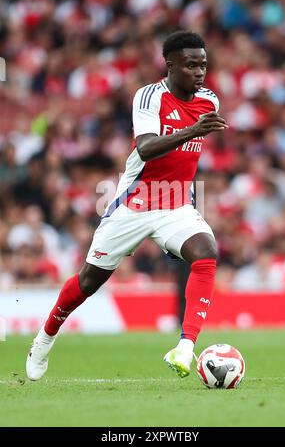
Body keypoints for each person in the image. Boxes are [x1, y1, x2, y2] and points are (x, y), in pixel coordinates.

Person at [26, 31, 228, 381]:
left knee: (206, 251)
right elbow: (147, 148)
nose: (199, 72)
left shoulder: (209, 101)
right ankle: (45, 338)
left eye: (203, 65)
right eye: (191, 65)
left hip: (175, 205)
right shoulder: (149, 96)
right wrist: (194, 130)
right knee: (89, 281)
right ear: (170, 65)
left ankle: (185, 347)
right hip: (133, 204)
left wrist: (196, 129)